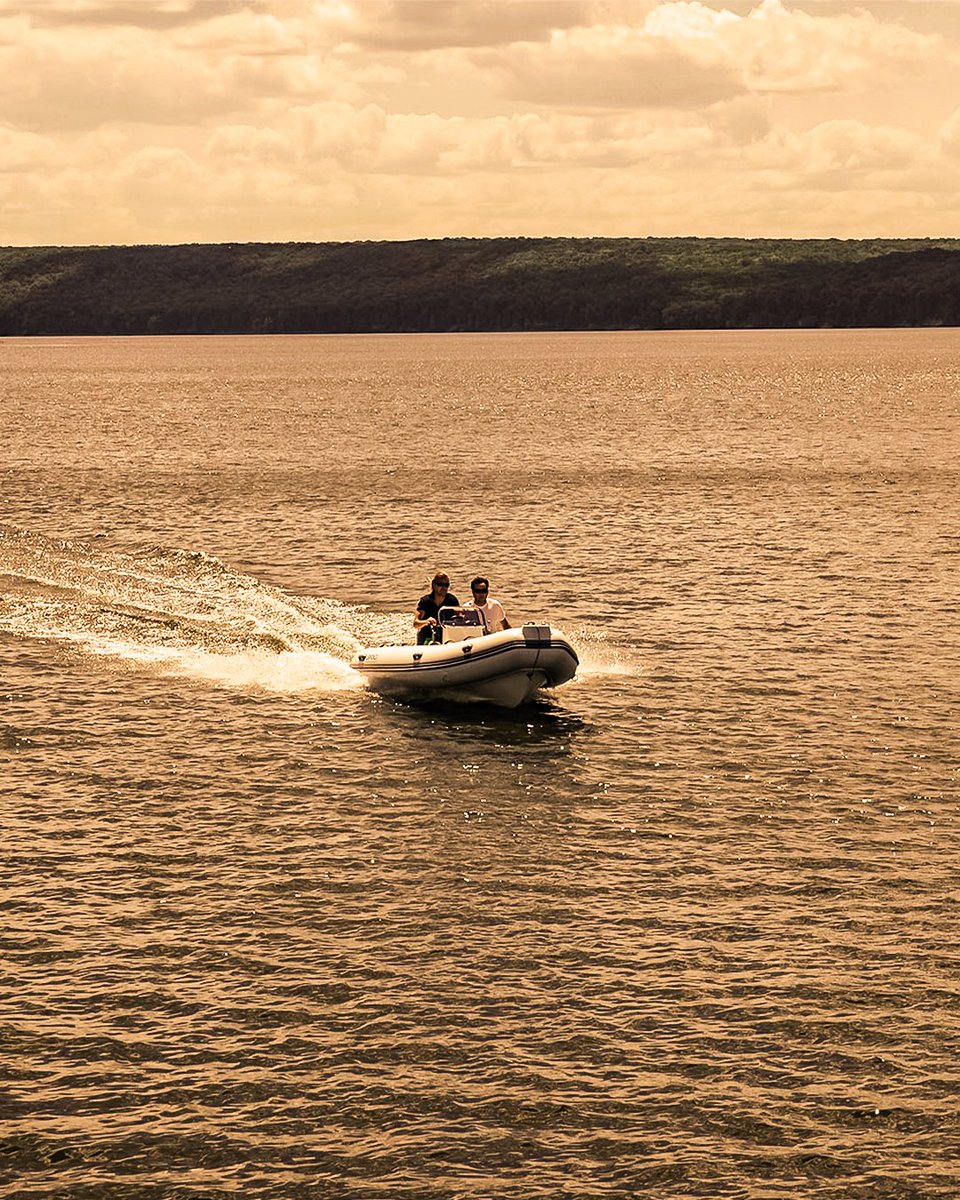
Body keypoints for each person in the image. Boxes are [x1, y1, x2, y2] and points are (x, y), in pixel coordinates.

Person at [414, 572, 460, 644]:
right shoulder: (425, 601)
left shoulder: (452, 600)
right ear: (434, 585)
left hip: (447, 636)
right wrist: (426, 621)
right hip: (428, 636)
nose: (443, 588)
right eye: (440, 584)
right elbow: (416, 623)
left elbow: (459, 617)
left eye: (446, 585)